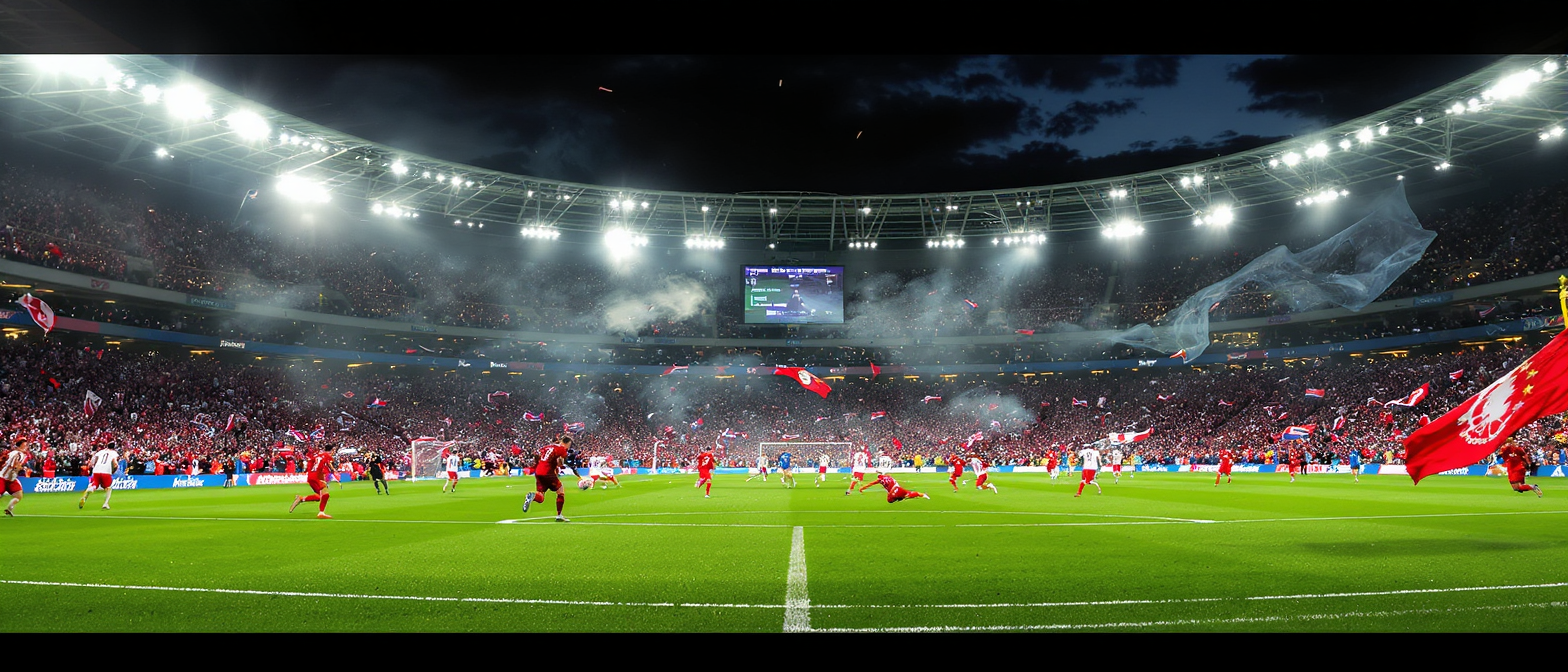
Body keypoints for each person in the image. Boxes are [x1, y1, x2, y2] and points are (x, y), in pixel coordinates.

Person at [523, 435, 577, 521]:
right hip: (548, 472)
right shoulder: (561, 449)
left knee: (541, 497)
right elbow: (562, 462)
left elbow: (539, 456)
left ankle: (533, 496)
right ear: (566, 443)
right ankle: (559, 515)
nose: (568, 447)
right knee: (560, 491)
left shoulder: (548, 447)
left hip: (538, 471)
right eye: (569, 445)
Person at [289, 444, 335, 519]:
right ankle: (321, 513)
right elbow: (329, 464)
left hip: (311, 476)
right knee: (325, 493)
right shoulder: (327, 455)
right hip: (317, 476)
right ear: (332, 450)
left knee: (320, 496)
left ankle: (301, 498)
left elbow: (310, 462)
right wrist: (333, 470)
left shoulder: (317, 455)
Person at [79, 441, 120, 510]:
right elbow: (115, 463)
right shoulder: (114, 453)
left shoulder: (101, 452)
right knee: (108, 488)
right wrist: (114, 470)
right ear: (114, 447)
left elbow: (93, 460)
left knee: (95, 484)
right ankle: (105, 504)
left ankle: (89, 490)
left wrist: (94, 466)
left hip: (96, 470)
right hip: (106, 472)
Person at [2, 438, 31, 517]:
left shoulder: (15, 453)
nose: (26, 447)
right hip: (3, 477)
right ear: (20, 445)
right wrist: (21, 468)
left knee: (18, 495)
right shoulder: (17, 454)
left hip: (12, 479)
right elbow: (14, 465)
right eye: (25, 445)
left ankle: (9, 509)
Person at [862, 472, 931, 503]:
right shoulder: (888, 476)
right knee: (908, 493)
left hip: (893, 491)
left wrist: (862, 488)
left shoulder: (879, 480)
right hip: (898, 487)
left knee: (889, 501)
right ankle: (923, 495)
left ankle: (899, 497)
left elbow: (870, 484)